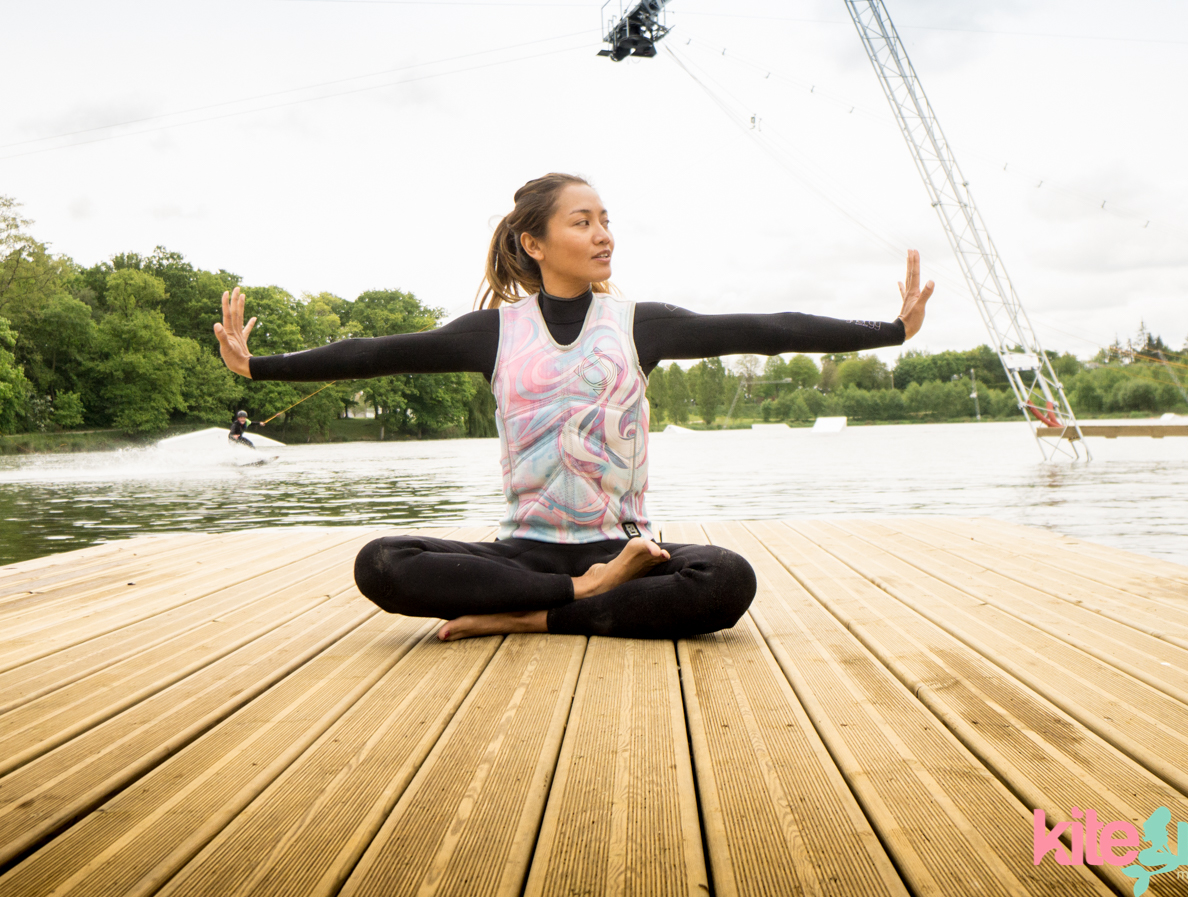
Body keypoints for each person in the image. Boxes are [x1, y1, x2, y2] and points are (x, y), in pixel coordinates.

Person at [214, 172, 933, 641]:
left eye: (606, 221)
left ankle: (529, 617)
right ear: (535, 242)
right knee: (383, 560)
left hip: (622, 547)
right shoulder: (494, 332)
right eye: (583, 222)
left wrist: (891, 330)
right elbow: (375, 353)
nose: (603, 234)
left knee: (726, 579)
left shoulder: (636, 325)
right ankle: (570, 597)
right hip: (523, 550)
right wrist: (261, 368)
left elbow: (766, 329)